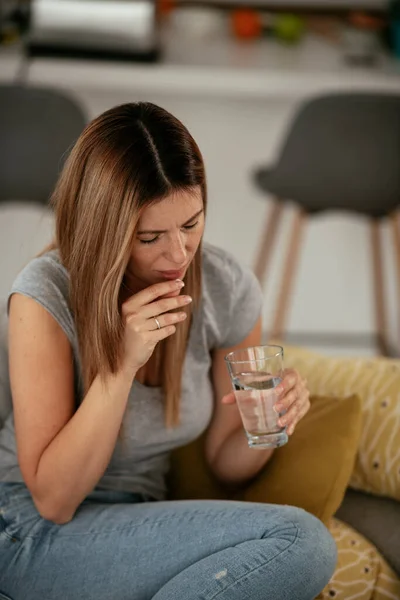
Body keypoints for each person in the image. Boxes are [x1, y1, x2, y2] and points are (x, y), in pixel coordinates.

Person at [0, 102, 336, 600]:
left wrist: (273, 424)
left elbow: (226, 462)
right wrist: (119, 367)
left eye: (191, 224)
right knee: (300, 540)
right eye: (150, 237)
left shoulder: (227, 288)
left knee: (303, 546)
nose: (178, 254)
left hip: (138, 526)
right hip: (27, 530)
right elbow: (54, 500)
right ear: (105, 230)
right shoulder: (44, 296)